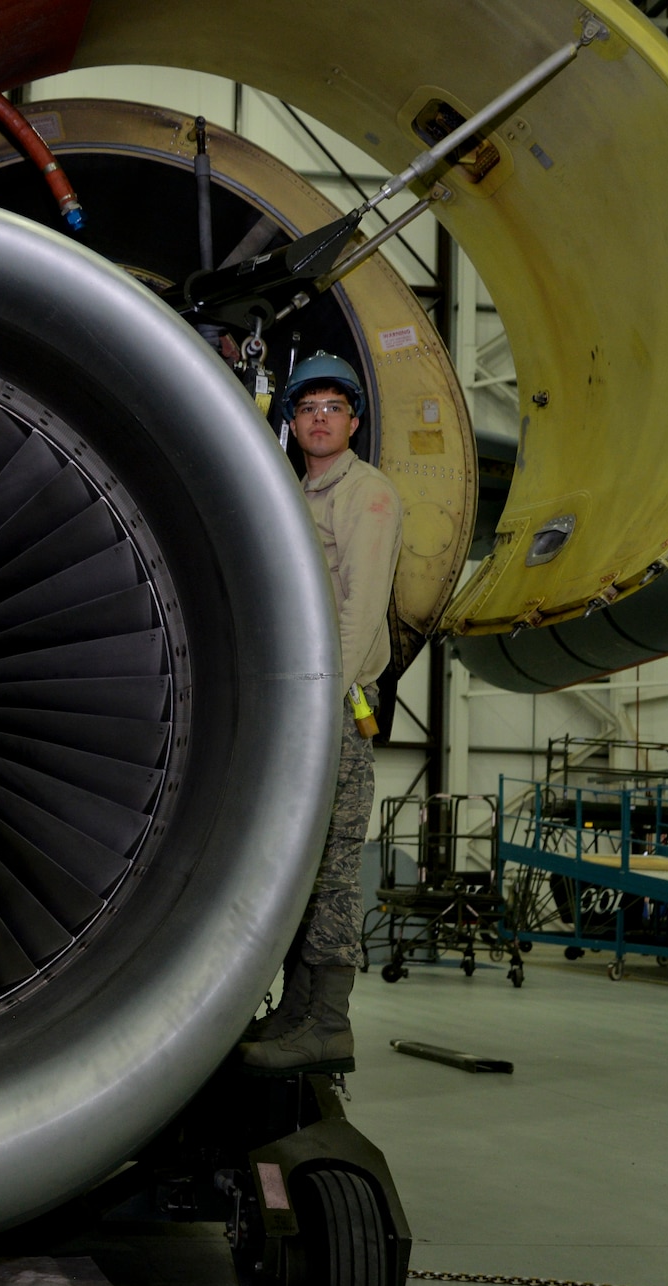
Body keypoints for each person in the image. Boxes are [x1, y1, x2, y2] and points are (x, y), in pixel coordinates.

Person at [241, 352, 402, 1072]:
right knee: (298, 864)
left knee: (333, 864)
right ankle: (298, 1011)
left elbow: (360, 609)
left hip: (332, 703)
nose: (319, 418)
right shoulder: (297, 493)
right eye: (307, 408)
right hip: (300, 702)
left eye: (333, 407)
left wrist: (319, 694)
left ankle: (329, 1023)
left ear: (354, 422)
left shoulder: (367, 494)